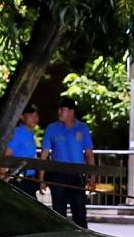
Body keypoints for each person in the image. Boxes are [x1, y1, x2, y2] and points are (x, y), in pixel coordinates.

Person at [40, 97, 95, 228]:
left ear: (71, 111)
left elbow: (89, 154)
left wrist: (93, 177)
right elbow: (44, 154)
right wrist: (41, 178)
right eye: (59, 109)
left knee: (80, 214)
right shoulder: (51, 128)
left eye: (62, 109)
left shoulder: (82, 128)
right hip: (58, 176)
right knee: (58, 215)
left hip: (77, 177)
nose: (59, 112)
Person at [1, 103, 42, 197]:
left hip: (30, 179)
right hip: (19, 179)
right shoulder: (18, 133)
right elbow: (7, 154)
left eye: (36, 115)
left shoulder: (30, 133)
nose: (34, 118)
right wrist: (2, 177)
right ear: (22, 117)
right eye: (31, 115)